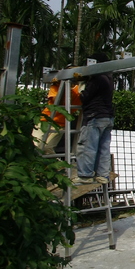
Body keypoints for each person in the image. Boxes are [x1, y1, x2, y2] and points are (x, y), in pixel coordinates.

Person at [73, 52, 115, 185]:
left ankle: (85, 176)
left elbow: (85, 97)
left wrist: (80, 86)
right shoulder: (108, 78)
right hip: (107, 117)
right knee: (103, 148)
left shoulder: (97, 78)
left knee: (87, 147)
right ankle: (103, 175)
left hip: (94, 116)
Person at [32, 75, 81, 154]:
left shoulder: (79, 90)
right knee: (36, 144)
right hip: (45, 119)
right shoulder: (57, 86)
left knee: (48, 147)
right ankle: (54, 165)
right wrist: (64, 86)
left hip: (60, 124)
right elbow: (57, 101)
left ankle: (55, 165)